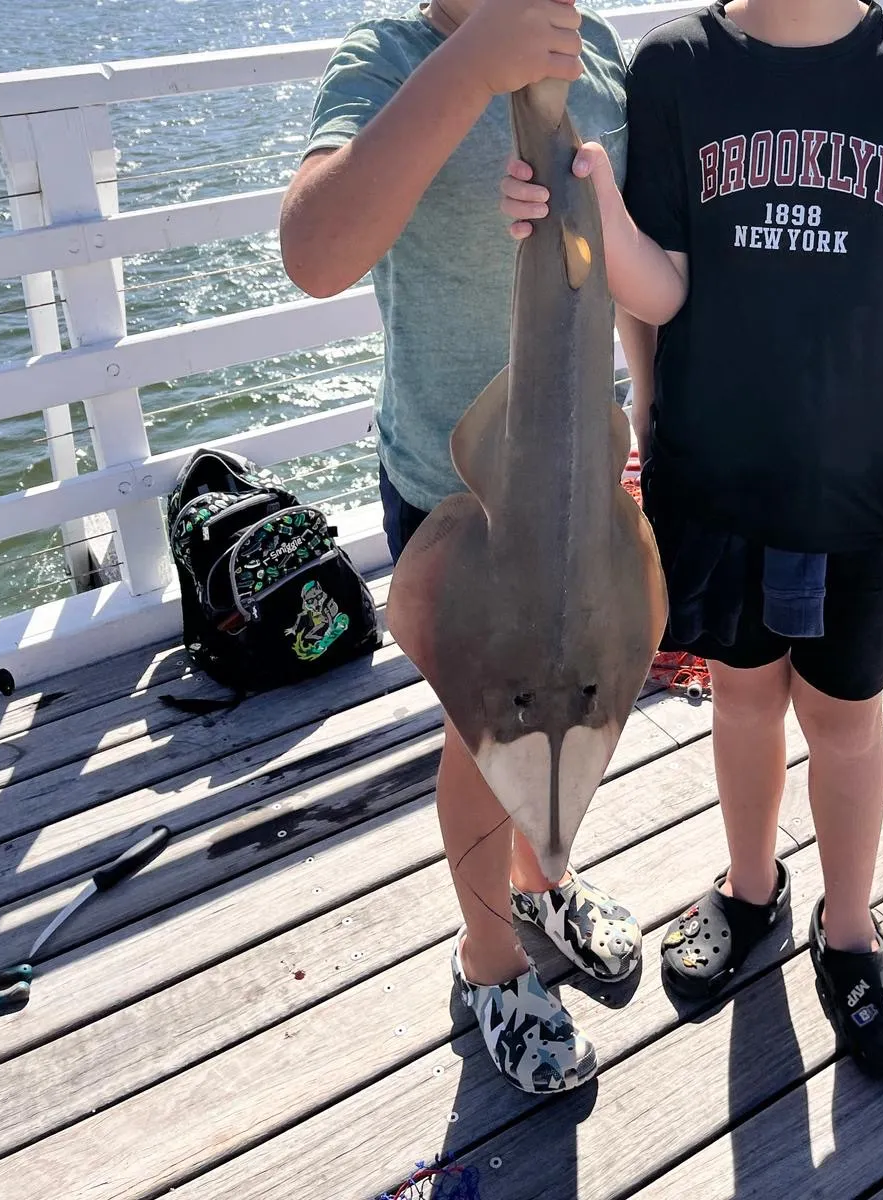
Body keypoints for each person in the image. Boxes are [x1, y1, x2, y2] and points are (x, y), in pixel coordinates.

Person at [501, 0, 883, 1078]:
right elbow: (658, 283)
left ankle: (851, 931)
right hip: (719, 482)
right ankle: (750, 888)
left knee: (845, 717)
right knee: (739, 696)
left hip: (872, 494)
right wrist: (590, 210)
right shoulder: (677, 66)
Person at [279, 0, 645, 1094]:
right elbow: (314, 255)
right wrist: (469, 68)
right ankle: (488, 958)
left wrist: (651, 417)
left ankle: (540, 884)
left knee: (571, 703)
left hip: (580, 483)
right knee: (485, 736)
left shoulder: (599, 52)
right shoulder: (388, 57)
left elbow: (620, 255)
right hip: (460, 501)